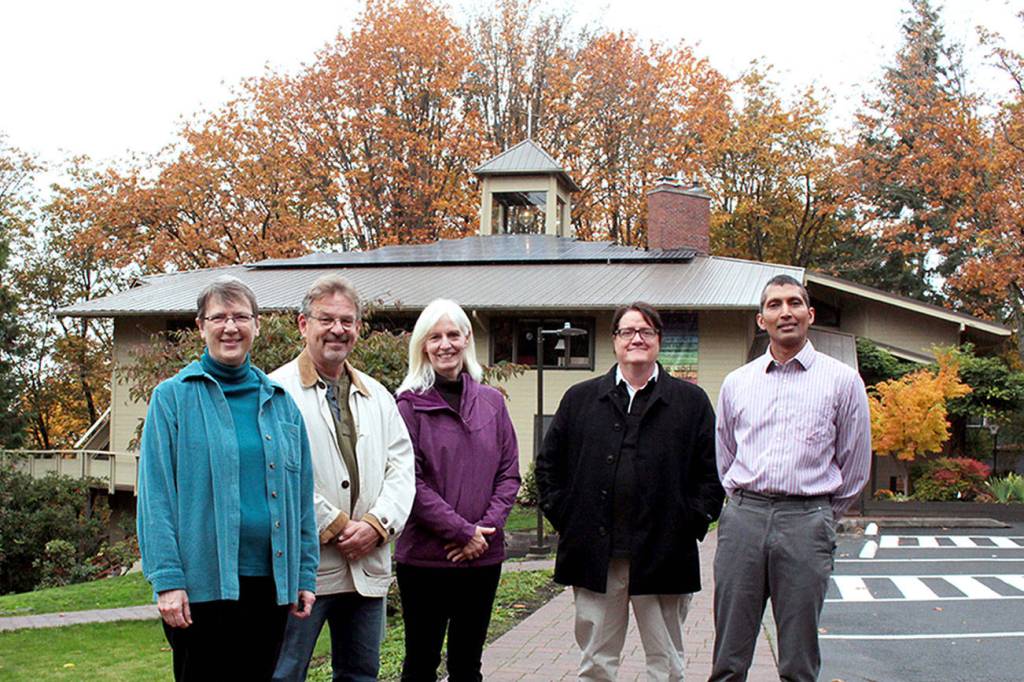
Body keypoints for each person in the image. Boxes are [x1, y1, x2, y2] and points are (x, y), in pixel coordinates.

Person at [136, 275, 318, 681]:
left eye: (240, 316)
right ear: (201, 326)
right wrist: (167, 581)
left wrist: (304, 574)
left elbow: (301, 499)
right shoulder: (173, 398)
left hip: (269, 586)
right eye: (218, 317)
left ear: (257, 324)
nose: (230, 327)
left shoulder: (282, 405)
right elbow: (156, 498)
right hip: (202, 588)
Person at [536, 302, 724, 681]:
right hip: (595, 554)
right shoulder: (580, 399)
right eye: (627, 331)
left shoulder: (691, 402)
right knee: (596, 663)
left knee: (667, 663)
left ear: (659, 341)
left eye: (646, 331)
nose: (636, 338)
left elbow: (712, 472)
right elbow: (548, 466)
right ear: (615, 341)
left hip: (665, 552)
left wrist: (693, 522)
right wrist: (567, 518)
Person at [710, 274, 871, 682]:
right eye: (775, 304)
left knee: (798, 660)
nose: (786, 312)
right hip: (744, 518)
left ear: (810, 314)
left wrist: (820, 516)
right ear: (760, 319)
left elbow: (854, 462)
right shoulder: (737, 383)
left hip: (807, 521)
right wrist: (745, 503)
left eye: (795, 303)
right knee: (729, 654)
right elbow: (725, 456)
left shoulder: (842, 381)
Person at [271, 274, 415, 682]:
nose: (338, 329)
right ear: (303, 325)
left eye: (348, 321)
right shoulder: (276, 391)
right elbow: (276, 473)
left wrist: (377, 525)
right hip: (307, 570)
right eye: (327, 319)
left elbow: (402, 469)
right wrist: (334, 525)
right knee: (284, 672)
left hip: (366, 566)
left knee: (361, 674)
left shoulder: (378, 395)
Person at [393, 299, 521, 682]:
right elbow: (409, 482)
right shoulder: (407, 407)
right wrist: (461, 532)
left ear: (467, 339)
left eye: (453, 334)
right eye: (435, 336)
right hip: (426, 560)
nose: (445, 344)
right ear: (423, 345)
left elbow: (509, 474)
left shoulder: (492, 403)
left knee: (468, 664)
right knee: (421, 663)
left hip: (482, 559)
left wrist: (482, 532)